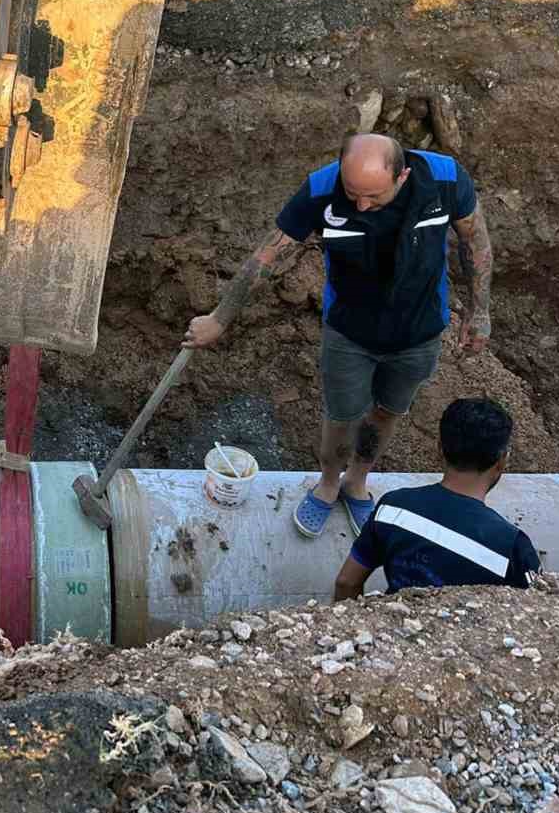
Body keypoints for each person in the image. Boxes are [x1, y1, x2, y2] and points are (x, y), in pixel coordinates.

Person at [184, 133, 493, 539]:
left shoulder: (446, 179)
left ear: (402, 175)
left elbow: (476, 242)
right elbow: (268, 256)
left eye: (373, 197)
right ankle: (328, 483)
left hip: (418, 333)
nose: (361, 205)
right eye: (353, 194)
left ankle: (357, 481)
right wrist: (220, 319)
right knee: (342, 416)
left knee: (386, 412)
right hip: (350, 332)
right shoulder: (321, 190)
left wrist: (480, 311)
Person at [334, 397, 539, 599]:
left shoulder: (393, 508)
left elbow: (346, 582)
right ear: (502, 461)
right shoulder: (512, 546)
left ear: (439, 449)